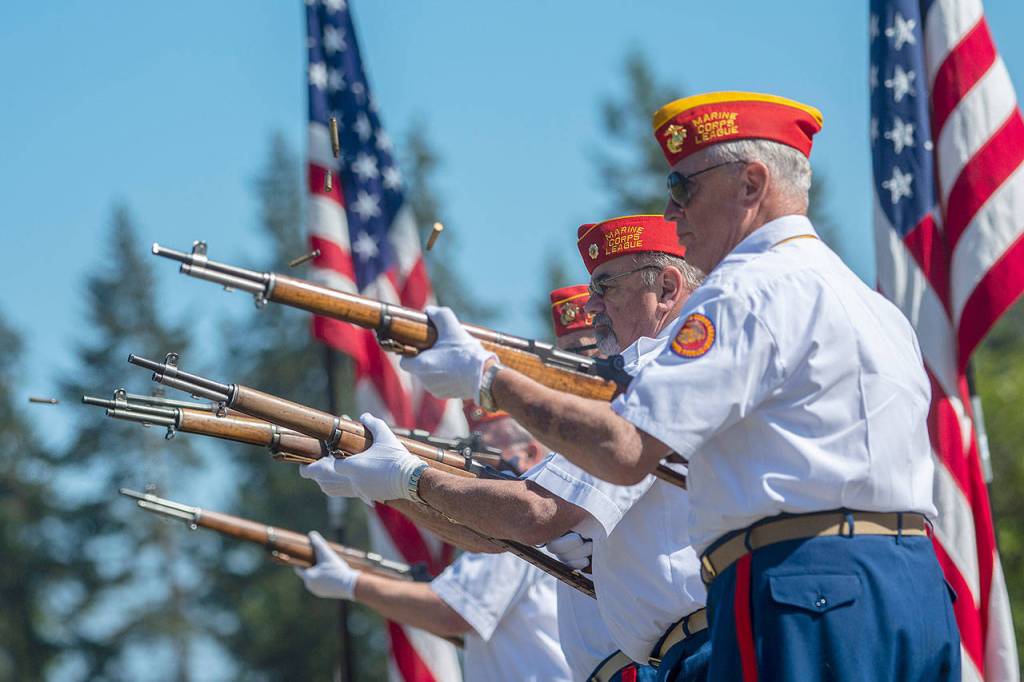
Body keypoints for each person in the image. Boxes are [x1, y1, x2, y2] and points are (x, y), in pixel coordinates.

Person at [392, 91, 961, 680]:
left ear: (751, 183)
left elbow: (625, 449)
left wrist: (491, 382)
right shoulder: (873, 305)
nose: (671, 209)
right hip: (913, 587)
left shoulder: (747, 288)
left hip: (804, 587)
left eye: (684, 185)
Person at [301, 217, 711, 681]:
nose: (593, 305)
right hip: (659, 658)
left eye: (606, 286)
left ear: (669, 288)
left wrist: (408, 479)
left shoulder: (650, 379)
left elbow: (530, 517)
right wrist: (388, 483)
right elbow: (498, 535)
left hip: (686, 650)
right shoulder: (641, 383)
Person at [296, 404, 571, 682]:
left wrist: (350, 583)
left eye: (484, 454)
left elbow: (451, 613)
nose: (475, 466)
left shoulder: (517, 522)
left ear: (528, 453)